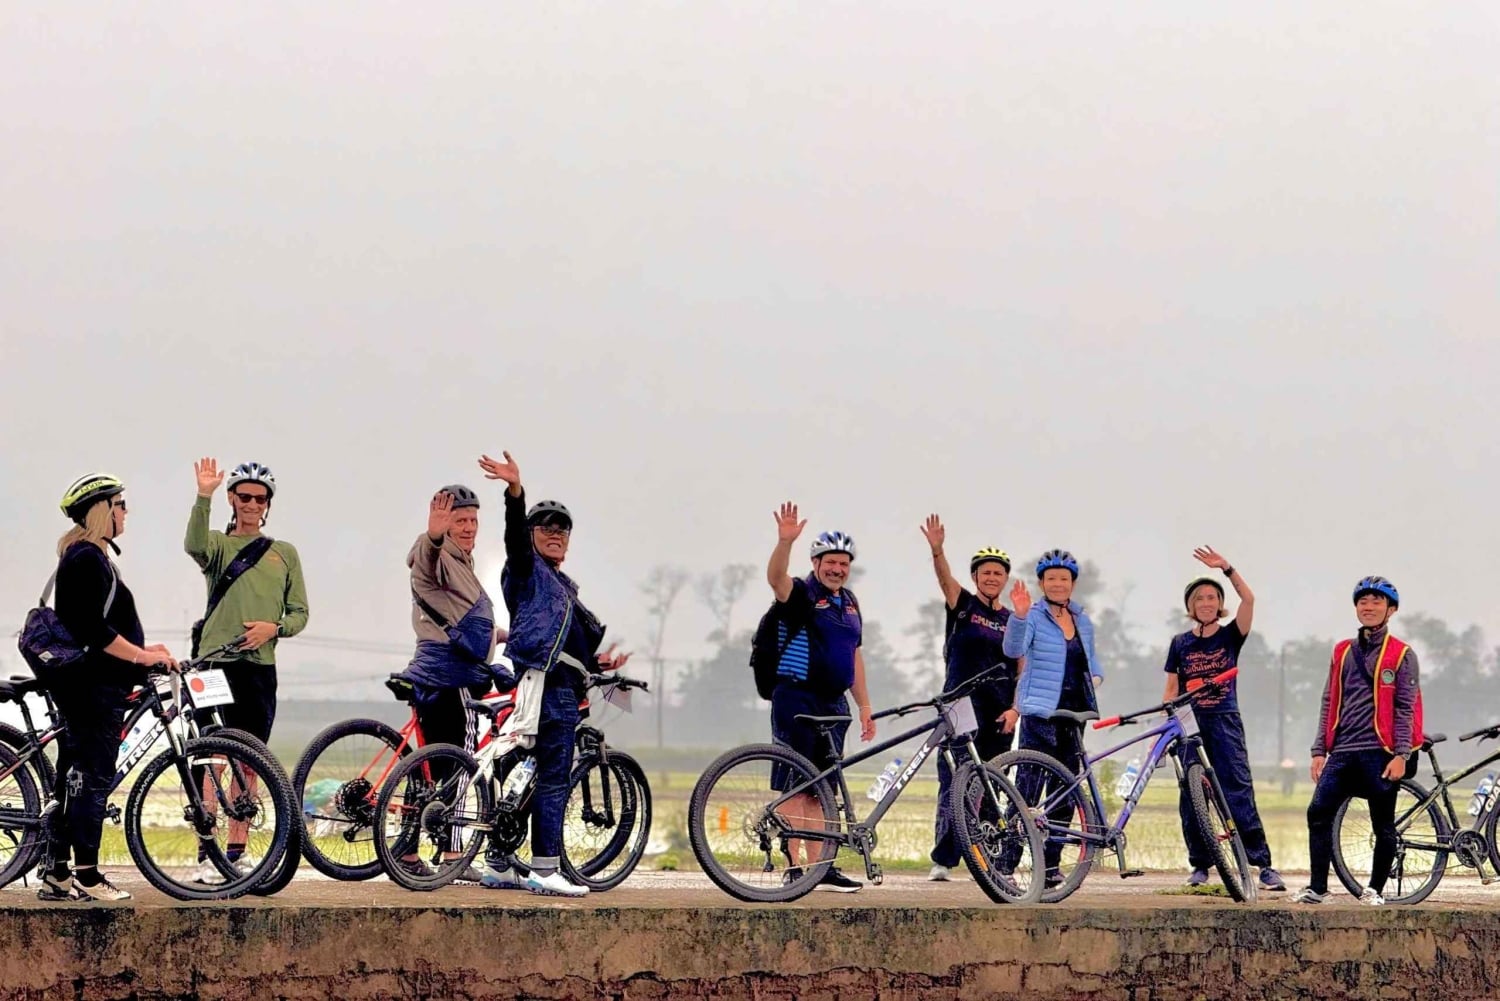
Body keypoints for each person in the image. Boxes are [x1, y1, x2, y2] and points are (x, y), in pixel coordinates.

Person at [477, 450, 629, 897]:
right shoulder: (528, 571)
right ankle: (545, 868)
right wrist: (514, 492)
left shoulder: (563, 589)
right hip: (550, 689)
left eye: (562, 529)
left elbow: (569, 646)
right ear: (531, 535)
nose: (556, 534)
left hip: (552, 682)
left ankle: (500, 862)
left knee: (523, 772)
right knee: (554, 776)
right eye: (546, 527)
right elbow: (513, 539)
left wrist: (601, 663)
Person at [40, 473, 178, 902]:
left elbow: (106, 627)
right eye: (120, 503)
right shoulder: (85, 558)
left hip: (95, 686)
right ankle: (88, 875)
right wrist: (142, 657)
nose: (126, 511)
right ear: (103, 511)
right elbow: (92, 631)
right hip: (93, 689)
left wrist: (144, 646)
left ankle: (58, 874)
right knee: (92, 780)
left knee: (76, 778)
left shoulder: (92, 556)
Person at [184, 459, 309, 883]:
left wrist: (274, 628)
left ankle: (236, 853)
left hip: (259, 668)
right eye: (244, 496)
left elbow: (300, 613)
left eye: (260, 498)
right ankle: (207, 853)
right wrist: (204, 495)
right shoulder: (218, 545)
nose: (252, 504)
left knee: (248, 762)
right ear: (233, 500)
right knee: (209, 759)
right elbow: (193, 545)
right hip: (213, 663)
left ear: (268, 504)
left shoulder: (284, 553)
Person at [395, 485, 511, 884]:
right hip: (450, 676)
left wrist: (501, 636)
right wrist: (433, 534)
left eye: (472, 520)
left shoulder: (463, 562)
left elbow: (458, 619)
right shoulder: (437, 554)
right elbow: (425, 563)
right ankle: (452, 854)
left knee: (427, 765)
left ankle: (407, 853)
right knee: (461, 762)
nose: (467, 527)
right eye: (460, 520)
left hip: (432, 670)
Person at [764, 502, 875, 893]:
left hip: (834, 703)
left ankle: (822, 867)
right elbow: (775, 578)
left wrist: (864, 706)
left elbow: (854, 655)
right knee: (796, 784)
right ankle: (794, 867)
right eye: (830, 562)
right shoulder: (801, 593)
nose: (837, 569)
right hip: (797, 697)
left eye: (843, 563)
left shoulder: (850, 602)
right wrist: (784, 542)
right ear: (816, 562)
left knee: (823, 786)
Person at [1293, 576, 1423, 906]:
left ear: (1391, 610)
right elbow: (1329, 700)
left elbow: (1406, 706)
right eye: (1363, 601)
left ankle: (1375, 890)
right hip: (1344, 749)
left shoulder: (1402, 654)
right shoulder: (1342, 652)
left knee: (1383, 824)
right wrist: (1319, 749)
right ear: (1356, 608)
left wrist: (1401, 755)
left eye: (1377, 602)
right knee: (1318, 812)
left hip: (1380, 751)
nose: (1369, 607)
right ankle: (1318, 887)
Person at [1164, 547, 1284, 892]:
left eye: (1212, 597)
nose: (1206, 602)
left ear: (1219, 604)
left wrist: (1227, 569)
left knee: (1237, 789)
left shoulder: (1231, 635)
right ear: (1191, 606)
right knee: (1192, 794)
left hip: (1224, 719)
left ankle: (1262, 864)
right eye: (1199, 598)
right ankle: (1200, 865)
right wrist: (1169, 722)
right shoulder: (1180, 643)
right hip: (1189, 724)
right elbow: (1171, 688)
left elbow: (1249, 600)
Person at [918, 514, 1020, 882]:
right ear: (976, 577)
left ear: (1005, 579)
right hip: (961, 706)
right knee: (955, 781)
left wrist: (1015, 709)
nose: (992, 578)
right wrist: (937, 550)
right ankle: (944, 860)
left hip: (999, 710)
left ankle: (990, 857)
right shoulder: (962, 606)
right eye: (985, 572)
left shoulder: (1012, 619)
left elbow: (1022, 667)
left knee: (993, 783)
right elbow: (944, 579)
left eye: (998, 573)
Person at [1001, 549, 1102, 887]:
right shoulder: (1032, 615)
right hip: (1040, 711)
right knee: (1028, 789)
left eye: (1064, 578)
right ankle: (1005, 864)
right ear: (1042, 583)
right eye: (1052, 578)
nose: (1058, 584)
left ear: (1073, 584)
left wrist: (1096, 679)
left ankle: (1051, 866)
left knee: (1066, 790)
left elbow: (1091, 659)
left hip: (1075, 714)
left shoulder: (1082, 620)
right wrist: (1016, 616)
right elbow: (1014, 651)